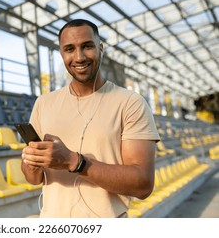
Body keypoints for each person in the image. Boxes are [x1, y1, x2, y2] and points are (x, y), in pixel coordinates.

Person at [21, 19, 160, 218]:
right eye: (69, 49)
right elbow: (33, 179)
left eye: (87, 46)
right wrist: (32, 162)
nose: (79, 57)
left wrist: (73, 161)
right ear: (62, 54)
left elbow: (143, 185)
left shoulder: (130, 103)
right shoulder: (43, 103)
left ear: (101, 48)